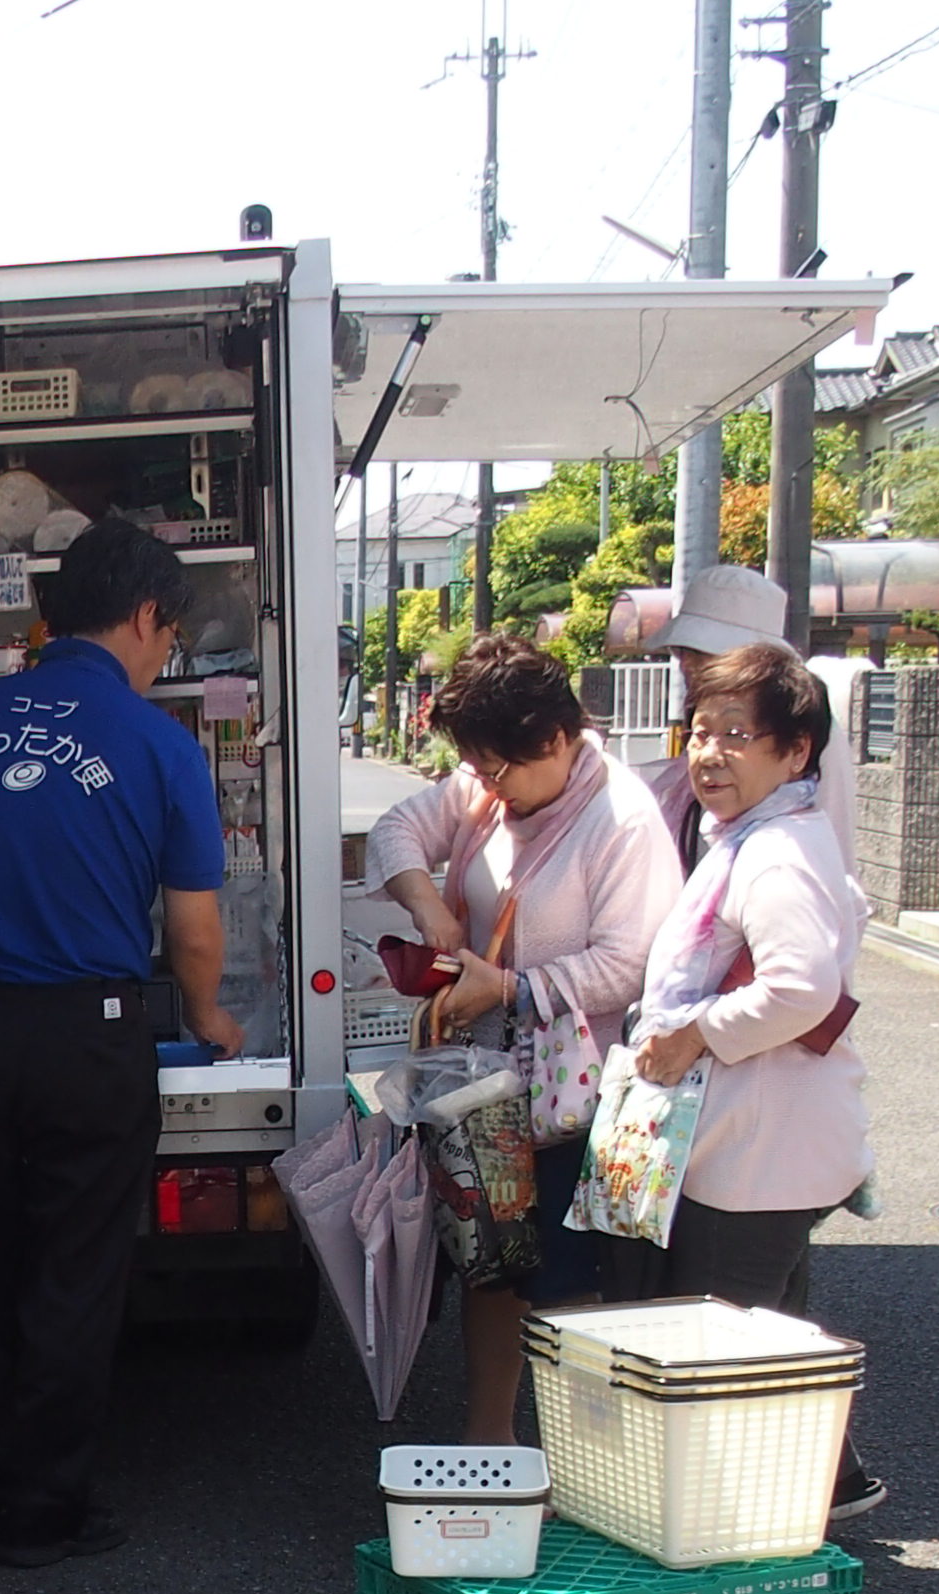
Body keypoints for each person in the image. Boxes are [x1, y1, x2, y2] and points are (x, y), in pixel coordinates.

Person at [0, 516, 238, 1566]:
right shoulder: (157, 742)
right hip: (87, 1034)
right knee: (70, 1272)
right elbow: (191, 927)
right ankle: (38, 1511)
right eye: (167, 635)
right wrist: (209, 1017)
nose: (165, 654)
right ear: (145, 616)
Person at [362, 634, 681, 1443]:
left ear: (557, 739)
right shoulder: (486, 788)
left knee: (569, 1285)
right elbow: (396, 832)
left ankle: (581, 1462)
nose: (490, 787)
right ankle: (490, 1439)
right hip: (483, 1088)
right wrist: (430, 911)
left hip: (574, 1094)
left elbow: (629, 963)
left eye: (502, 768)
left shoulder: (621, 819)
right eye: (478, 768)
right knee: (492, 1265)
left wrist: (505, 986)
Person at [607, 644, 889, 1514]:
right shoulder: (763, 836)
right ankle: (830, 1485)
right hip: (767, 1151)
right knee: (773, 1336)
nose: (710, 754)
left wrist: (694, 1035)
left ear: (796, 751)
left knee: (722, 1351)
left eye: (738, 735)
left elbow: (802, 987)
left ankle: (739, 1533)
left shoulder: (776, 854)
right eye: (699, 732)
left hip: (761, 1154)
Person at [646, 563, 860, 872]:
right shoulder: (711, 717)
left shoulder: (805, 723)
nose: (688, 666)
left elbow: (831, 834)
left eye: (703, 654)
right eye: (684, 652)